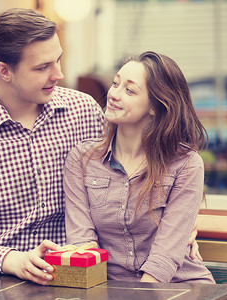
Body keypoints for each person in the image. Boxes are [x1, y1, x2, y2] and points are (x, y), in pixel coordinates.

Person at [0, 8, 200, 285]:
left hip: (81, 277)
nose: (59, 74)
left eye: (58, 60)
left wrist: (178, 226)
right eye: (43, 67)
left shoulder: (82, 111)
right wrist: (11, 260)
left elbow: (135, 175)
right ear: (4, 71)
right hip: (0, 280)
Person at [63, 51, 215, 283]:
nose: (114, 94)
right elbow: (82, 244)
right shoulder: (82, 159)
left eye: (129, 90)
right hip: (112, 290)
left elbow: (164, 259)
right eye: (115, 83)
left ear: (155, 106)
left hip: (180, 286)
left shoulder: (186, 164)